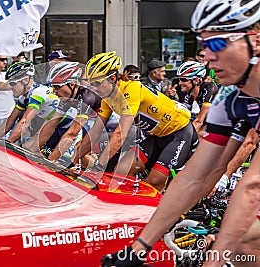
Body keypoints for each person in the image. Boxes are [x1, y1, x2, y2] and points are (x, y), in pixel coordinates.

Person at [101, 0, 260, 266]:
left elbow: (253, 187)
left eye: (218, 44)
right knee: (241, 243)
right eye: (204, 45)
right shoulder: (232, 97)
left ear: (255, 40)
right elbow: (196, 176)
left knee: (241, 242)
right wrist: (138, 249)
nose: (208, 56)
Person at [73, 51, 197, 191]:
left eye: (96, 83)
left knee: (153, 182)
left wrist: (98, 167)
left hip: (180, 133)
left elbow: (120, 134)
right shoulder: (108, 98)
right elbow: (95, 132)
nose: (93, 88)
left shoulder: (131, 89)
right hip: (157, 136)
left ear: (113, 78)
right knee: (121, 171)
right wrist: (72, 162)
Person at [23, 61, 102, 164]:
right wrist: (31, 151)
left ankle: (98, 170)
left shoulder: (87, 97)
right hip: (92, 124)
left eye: (57, 87)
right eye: (53, 87)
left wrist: (50, 161)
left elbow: (72, 133)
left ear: (72, 84)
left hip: (109, 127)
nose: (54, 91)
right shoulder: (67, 97)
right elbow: (51, 123)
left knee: (80, 152)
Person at [0, 61, 60, 144]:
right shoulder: (25, 97)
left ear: (26, 80)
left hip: (64, 129)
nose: (11, 87)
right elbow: (10, 120)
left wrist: (9, 144)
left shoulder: (39, 92)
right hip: (50, 129)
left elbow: (25, 122)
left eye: (13, 83)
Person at [177, 61, 218, 134]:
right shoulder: (189, 94)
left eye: (184, 79)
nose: (180, 83)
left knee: (199, 135)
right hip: (212, 123)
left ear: (196, 80)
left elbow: (199, 122)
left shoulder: (209, 89)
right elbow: (183, 115)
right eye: (179, 79)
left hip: (227, 125)